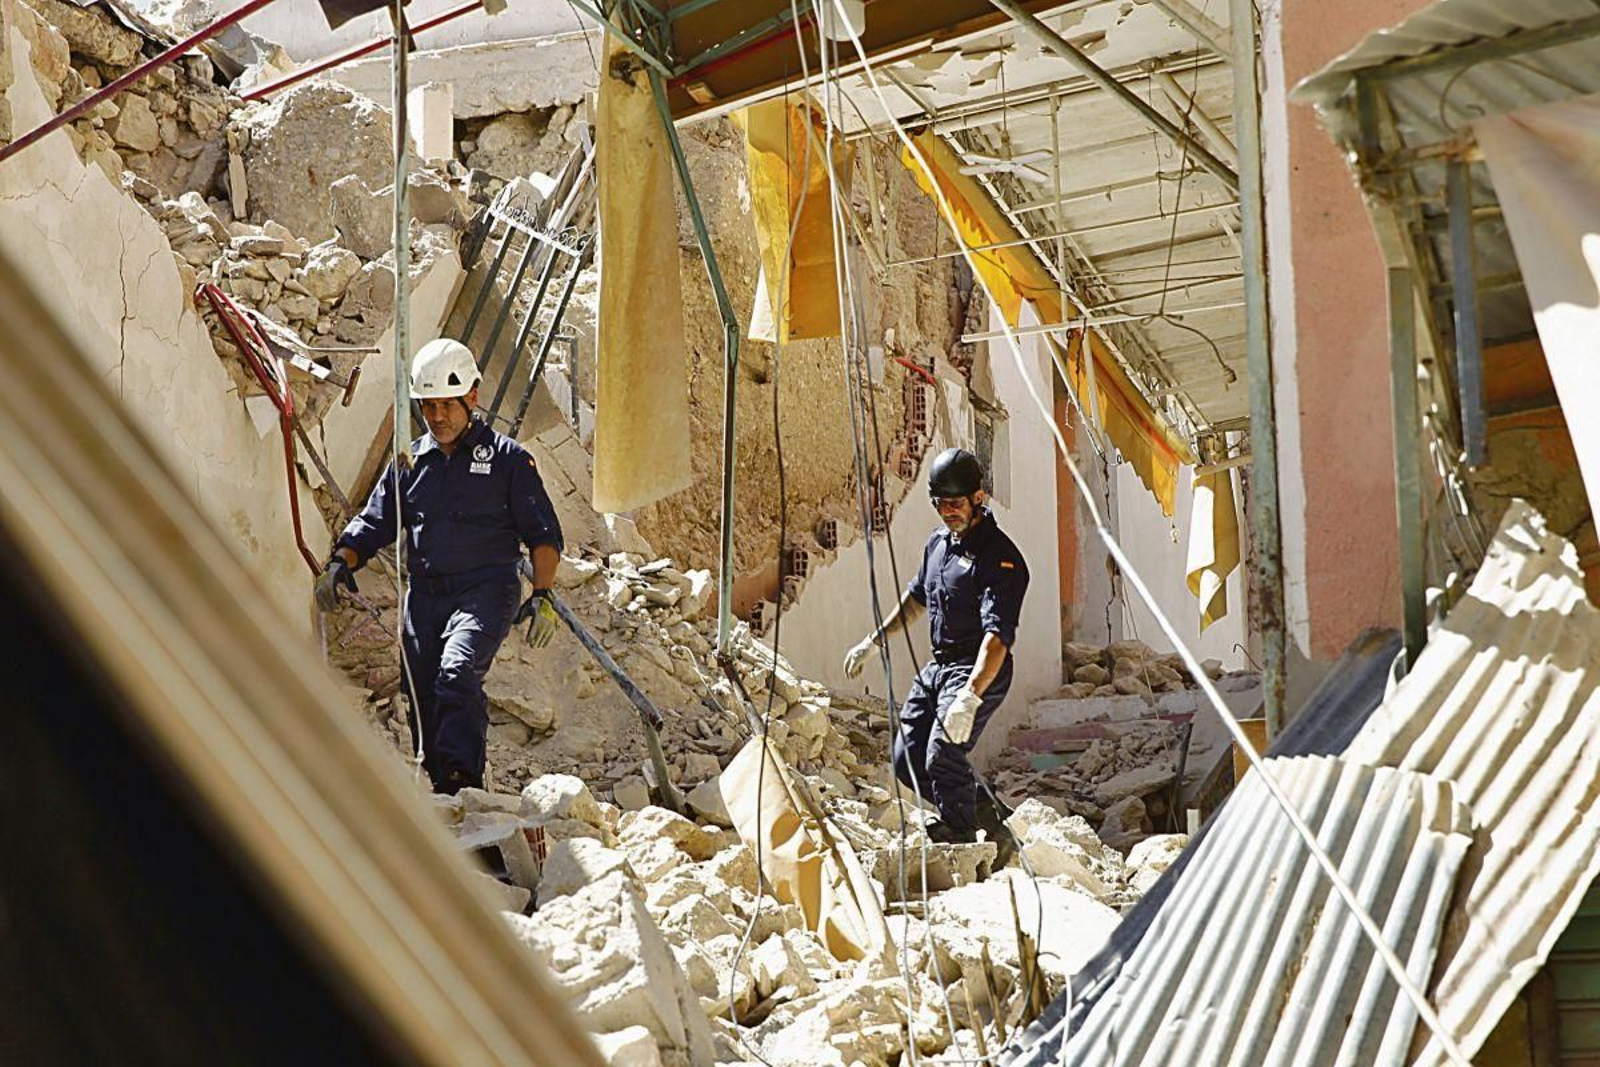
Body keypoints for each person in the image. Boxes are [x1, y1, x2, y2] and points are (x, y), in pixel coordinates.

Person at [314, 338, 564, 794]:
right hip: (426, 596)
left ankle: (466, 787)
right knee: (423, 691)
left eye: (446, 405)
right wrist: (341, 564)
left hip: (486, 591)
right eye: (428, 407)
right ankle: (441, 788)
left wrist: (543, 594)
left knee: (457, 672)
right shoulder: (411, 461)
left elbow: (544, 535)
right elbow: (374, 521)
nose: (437, 418)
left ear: (472, 396)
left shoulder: (509, 461)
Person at [843, 447, 1028, 861]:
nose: (947, 512)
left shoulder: (1000, 558)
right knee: (906, 760)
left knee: (943, 753)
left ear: (978, 498)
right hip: (938, 667)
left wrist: (972, 695)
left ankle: (960, 837)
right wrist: (875, 640)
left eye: (955, 502)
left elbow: (997, 637)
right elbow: (916, 598)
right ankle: (988, 815)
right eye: (939, 503)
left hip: (978, 667)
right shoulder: (939, 545)